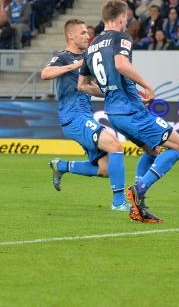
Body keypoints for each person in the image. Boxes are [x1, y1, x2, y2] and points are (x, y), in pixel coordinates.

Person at [79, 0, 179, 223]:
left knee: (153, 150)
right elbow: (120, 65)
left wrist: (112, 92)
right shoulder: (121, 38)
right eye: (126, 18)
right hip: (131, 112)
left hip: (114, 113)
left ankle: (139, 205)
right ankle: (138, 191)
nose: (126, 21)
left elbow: (82, 85)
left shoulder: (91, 46)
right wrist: (147, 86)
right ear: (121, 18)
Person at [40, 18, 129, 211]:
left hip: (85, 116)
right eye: (82, 33)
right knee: (115, 145)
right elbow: (45, 74)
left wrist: (110, 91)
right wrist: (73, 66)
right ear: (70, 35)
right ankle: (119, 202)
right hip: (72, 117)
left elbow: (90, 88)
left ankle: (61, 165)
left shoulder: (88, 58)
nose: (87, 36)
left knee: (104, 170)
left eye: (87, 33)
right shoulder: (63, 56)